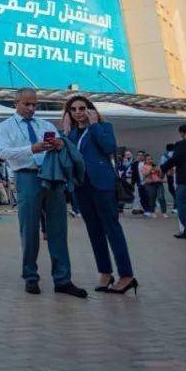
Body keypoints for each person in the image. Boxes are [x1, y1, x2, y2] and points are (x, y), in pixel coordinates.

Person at [0, 88, 86, 297]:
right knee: (29, 229)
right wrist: (31, 149)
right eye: (26, 104)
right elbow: (3, 152)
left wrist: (59, 144)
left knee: (58, 229)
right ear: (16, 103)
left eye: (34, 104)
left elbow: (61, 146)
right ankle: (30, 276)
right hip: (26, 176)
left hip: (51, 175)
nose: (31, 108)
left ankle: (63, 279)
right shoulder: (5, 126)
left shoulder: (45, 125)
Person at [61, 95, 137, 296]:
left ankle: (127, 275)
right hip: (81, 186)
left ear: (90, 109)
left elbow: (109, 148)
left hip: (102, 184)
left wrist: (94, 125)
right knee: (94, 231)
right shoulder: (70, 132)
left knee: (112, 228)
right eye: (73, 109)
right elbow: (66, 156)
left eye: (82, 108)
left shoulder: (104, 127)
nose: (78, 112)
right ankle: (105, 272)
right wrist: (66, 132)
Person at [160, 124, 186, 239]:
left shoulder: (181, 144)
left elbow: (175, 159)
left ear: (183, 132)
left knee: (183, 205)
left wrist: (163, 168)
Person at [140, 154, 167, 219]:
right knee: (152, 198)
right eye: (148, 159)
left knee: (161, 197)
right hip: (150, 184)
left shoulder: (156, 166)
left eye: (151, 159)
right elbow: (145, 175)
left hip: (158, 183)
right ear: (145, 161)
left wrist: (160, 171)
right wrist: (150, 170)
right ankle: (152, 212)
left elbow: (161, 176)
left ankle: (164, 212)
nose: (150, 160)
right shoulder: (144, 167)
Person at [161, 143, 177, 213]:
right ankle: (177, 206)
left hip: (169, 174)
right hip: (178, 174)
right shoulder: (178, 154)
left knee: (172, 189)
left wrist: (161, 176)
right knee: (177, 190)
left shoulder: (164, 156)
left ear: (167, 149)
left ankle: (176, 206)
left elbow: (163, 167)